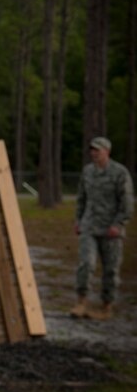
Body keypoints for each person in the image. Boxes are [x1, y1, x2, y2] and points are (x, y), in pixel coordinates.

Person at [70, 137, 134, 320]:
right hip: (89, 226)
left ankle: (107, 306)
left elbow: (127, 204)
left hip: (110, 230)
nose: (94, 153)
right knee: (86, 264)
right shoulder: (87, 172)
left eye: (97, 150)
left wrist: (118, 224)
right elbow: (81, 198)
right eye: (92, 150)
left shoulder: (120, 173)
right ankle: (81, 302)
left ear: (107, 151)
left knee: (110, 270)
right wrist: (78, 220)